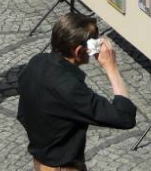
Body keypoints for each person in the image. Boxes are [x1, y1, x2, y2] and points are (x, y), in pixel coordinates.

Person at [18, 13, 137, 170]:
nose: (100, 43)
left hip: (40, 162)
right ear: (79, 50)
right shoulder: (70, 88)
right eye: (95, 39)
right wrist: (111, 68)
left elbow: (23, 114)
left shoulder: (37, 61)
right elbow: (124, 117)